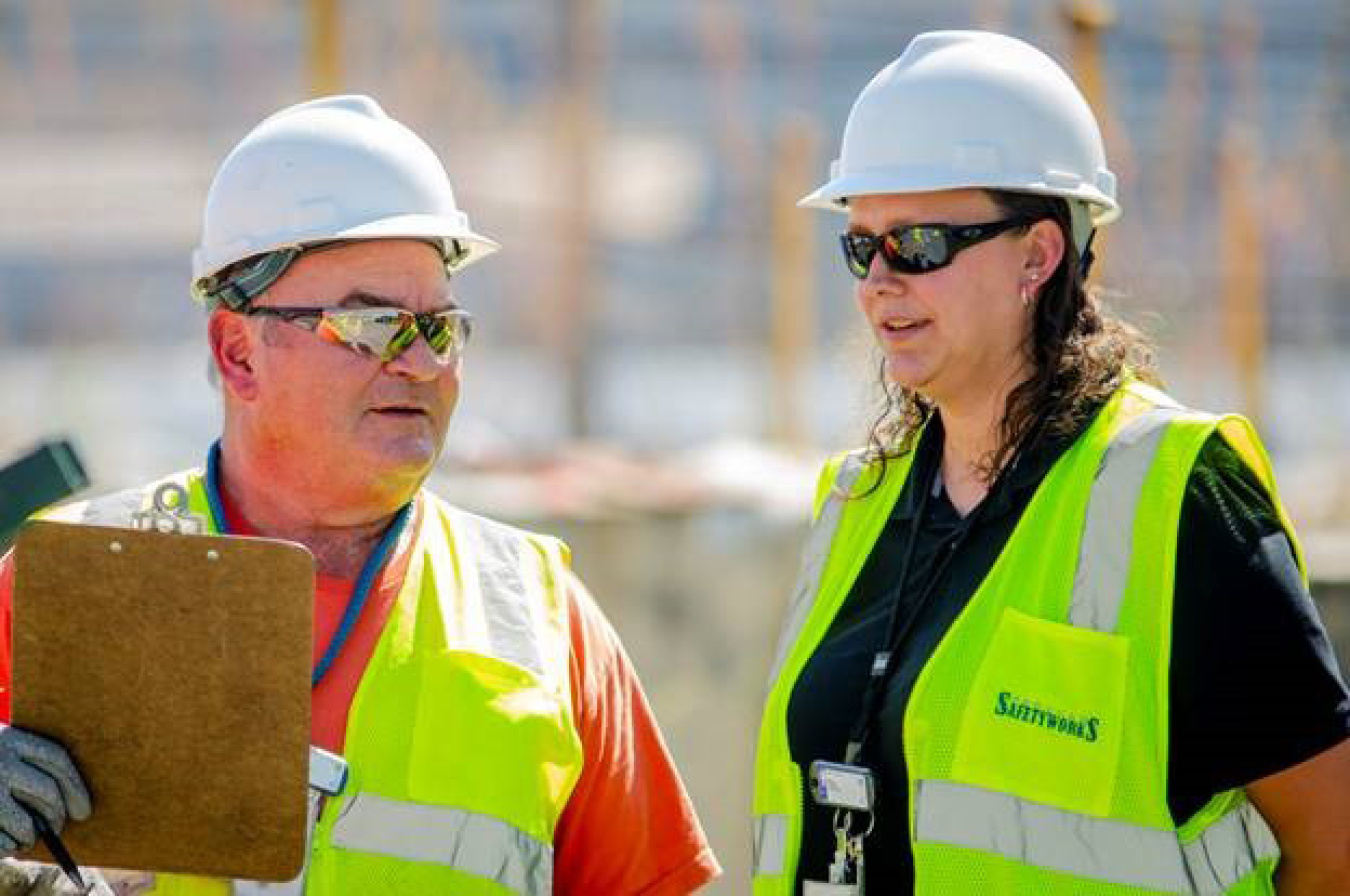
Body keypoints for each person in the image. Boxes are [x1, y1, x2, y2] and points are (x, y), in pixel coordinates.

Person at [0, 95, 720, 896]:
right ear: (239, 353)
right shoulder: (68, 583)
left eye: (439, 328)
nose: (421, 362)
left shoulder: (540, 616)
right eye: (373, 324)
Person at [752, 30, 1350, 895]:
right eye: (860, 246)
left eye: (917, 244)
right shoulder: (859, 501)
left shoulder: (1182, 497)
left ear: (1038, 254)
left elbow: (1333, 847)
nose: (880, 281)